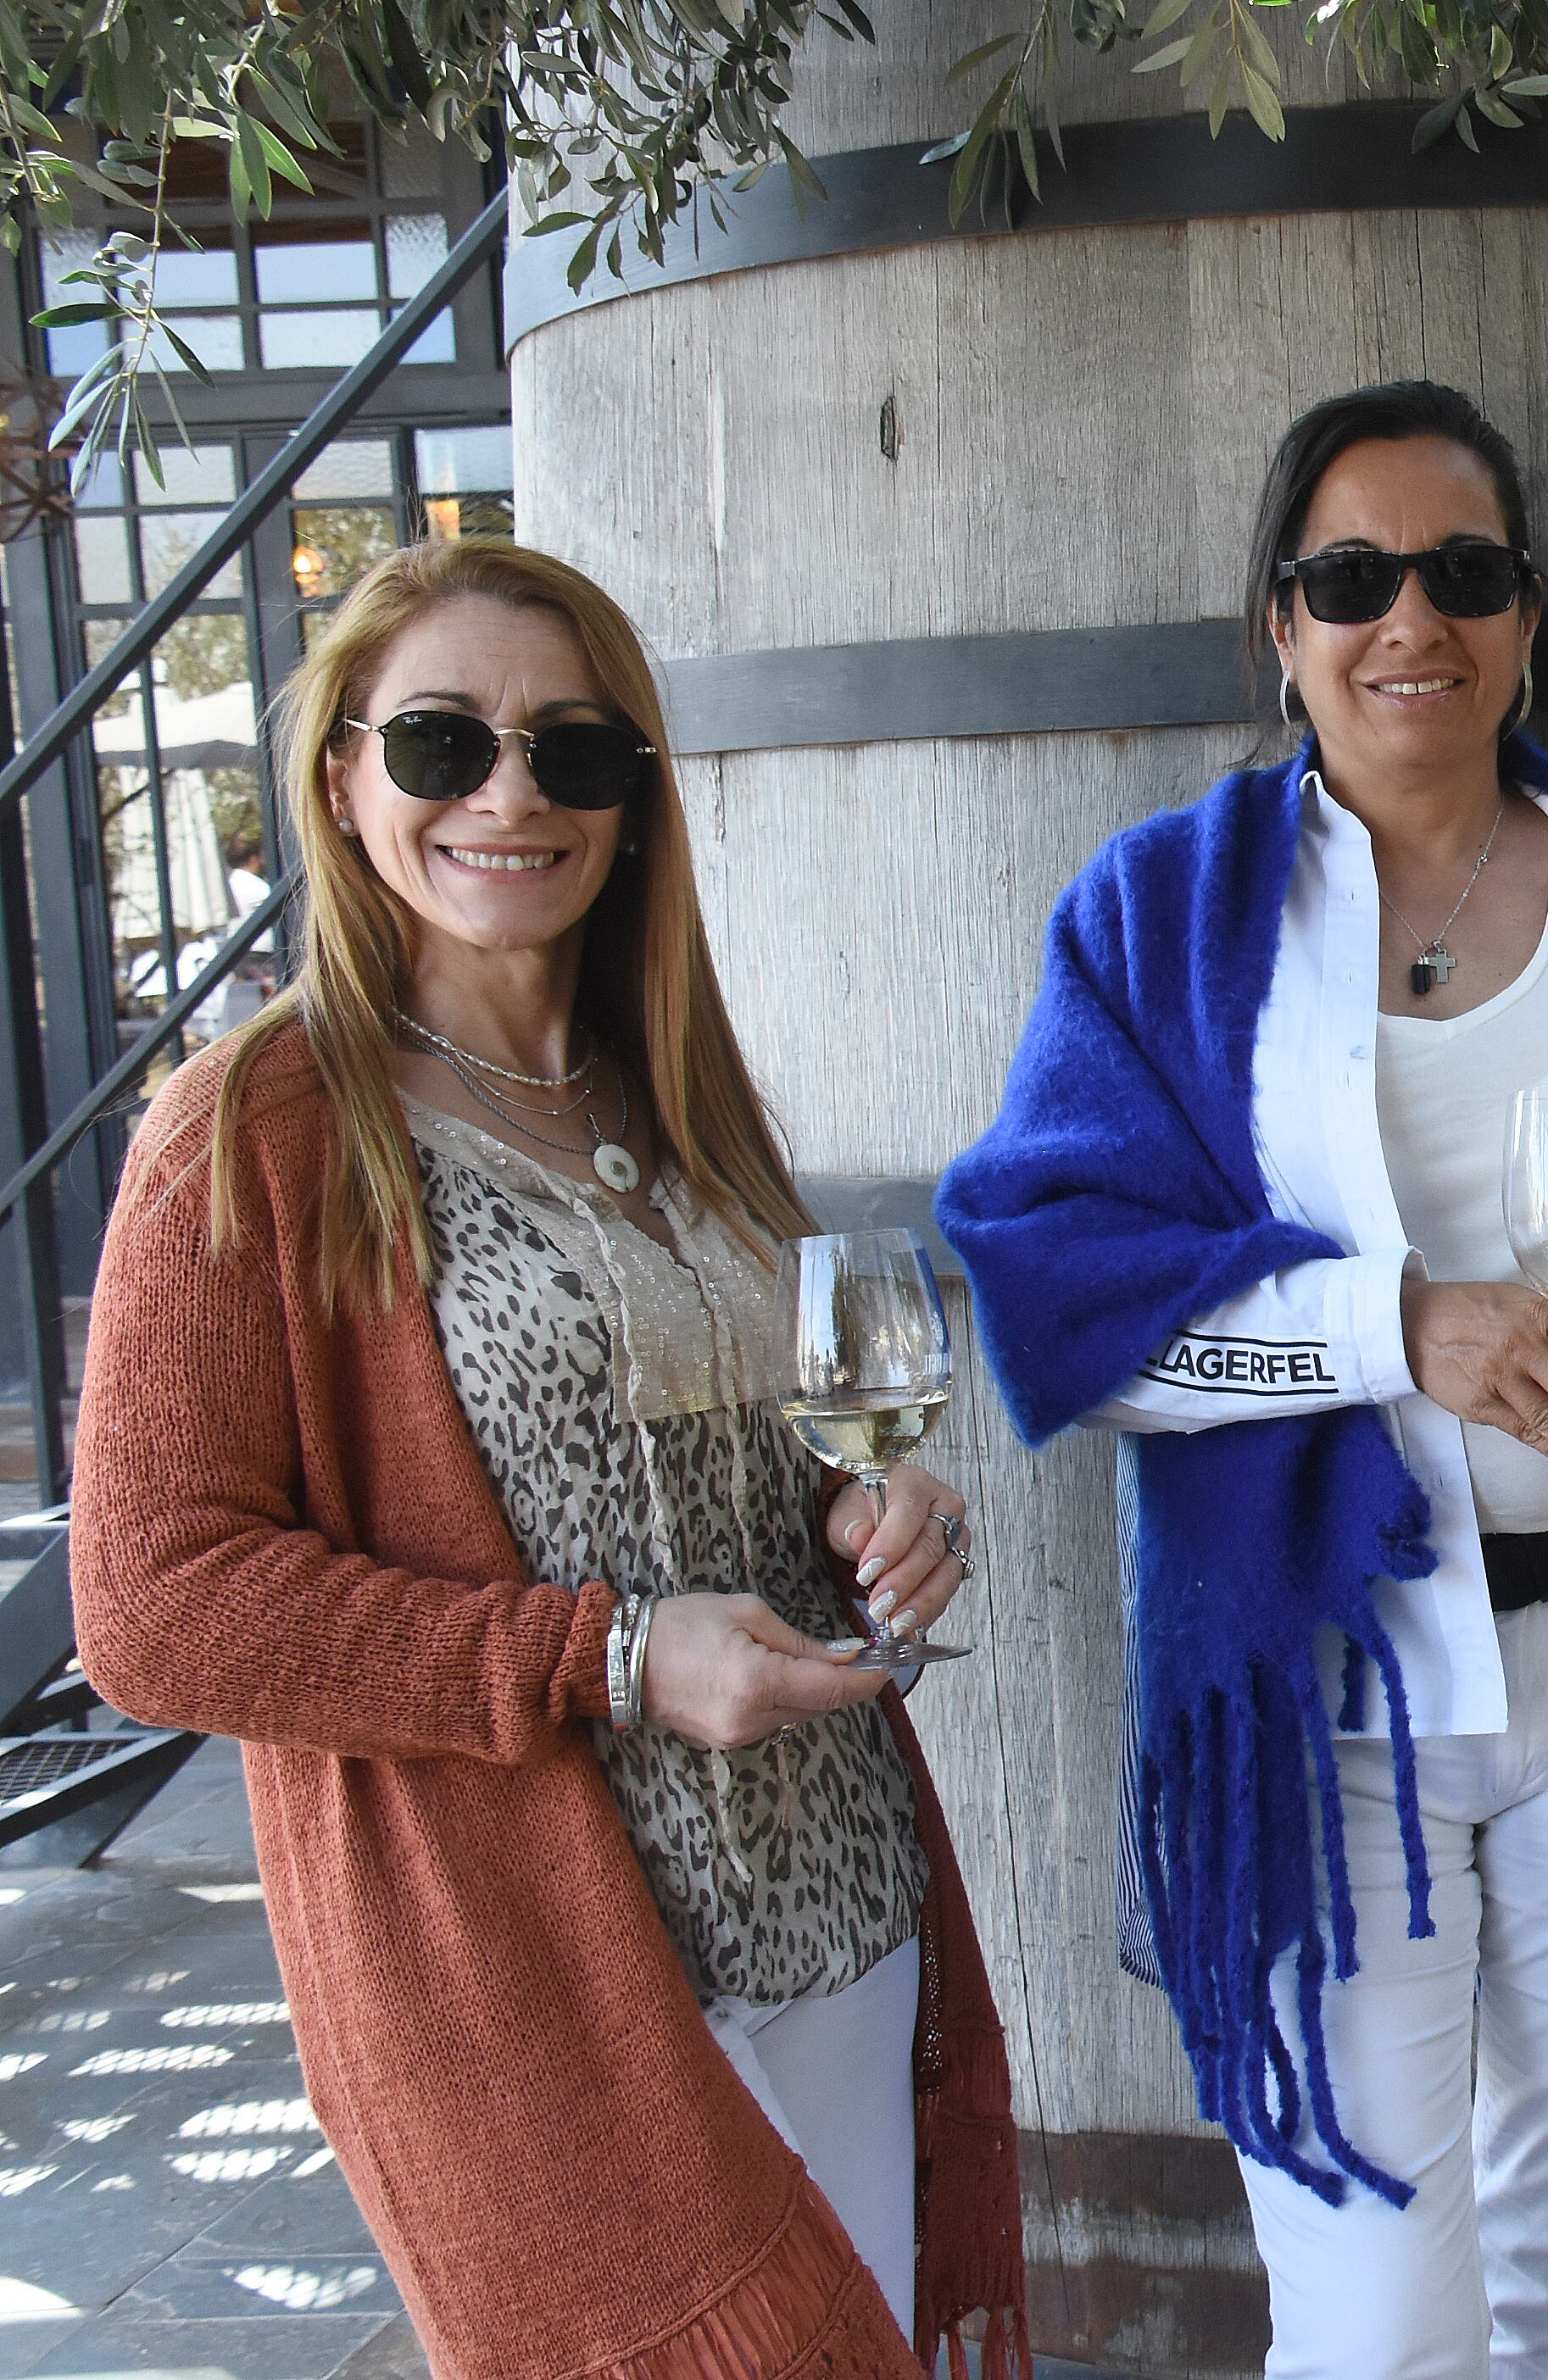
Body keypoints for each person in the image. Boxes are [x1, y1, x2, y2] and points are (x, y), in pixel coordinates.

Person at [936, 379, 1548, 2380]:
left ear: (1529, 615)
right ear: (1277, 626)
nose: (1409, 620)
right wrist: (1399, 1327)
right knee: (1378, 2329)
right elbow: (1060, 1287)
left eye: (1463, 572)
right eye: (1348, 575)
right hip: (1333, 1681)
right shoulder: (1163, 919)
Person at [70, 539, 1028, 2378]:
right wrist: (596, 1655)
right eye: (443, 745)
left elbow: (759, 1465)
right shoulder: (251, 1129)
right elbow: (150, 1605)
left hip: (834, 1898)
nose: (512, 795)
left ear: (632, 802)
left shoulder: (672, 1090)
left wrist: (873, 1517)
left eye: (575, 753)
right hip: (543, 1980)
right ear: (345, 780)